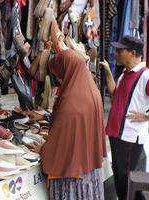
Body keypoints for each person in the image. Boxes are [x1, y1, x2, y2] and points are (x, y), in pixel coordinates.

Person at [31, 49, 106, 200]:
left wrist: (44, 150)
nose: (58, 79)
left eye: (59, 74)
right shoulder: (92, 90)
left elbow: (61, 144)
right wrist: (47, 117)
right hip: (89, 169)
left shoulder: (71, 101)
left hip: (72, 176)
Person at [99, 35, 149, 200]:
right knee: (121, 180)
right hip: (117, 133)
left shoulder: (146, 76)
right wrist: (107, 72)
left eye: (121, 50)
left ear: (133, 53)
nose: (117, 53)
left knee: (127, 181)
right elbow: (114, 94)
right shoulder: (125, 74)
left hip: (130, 136)